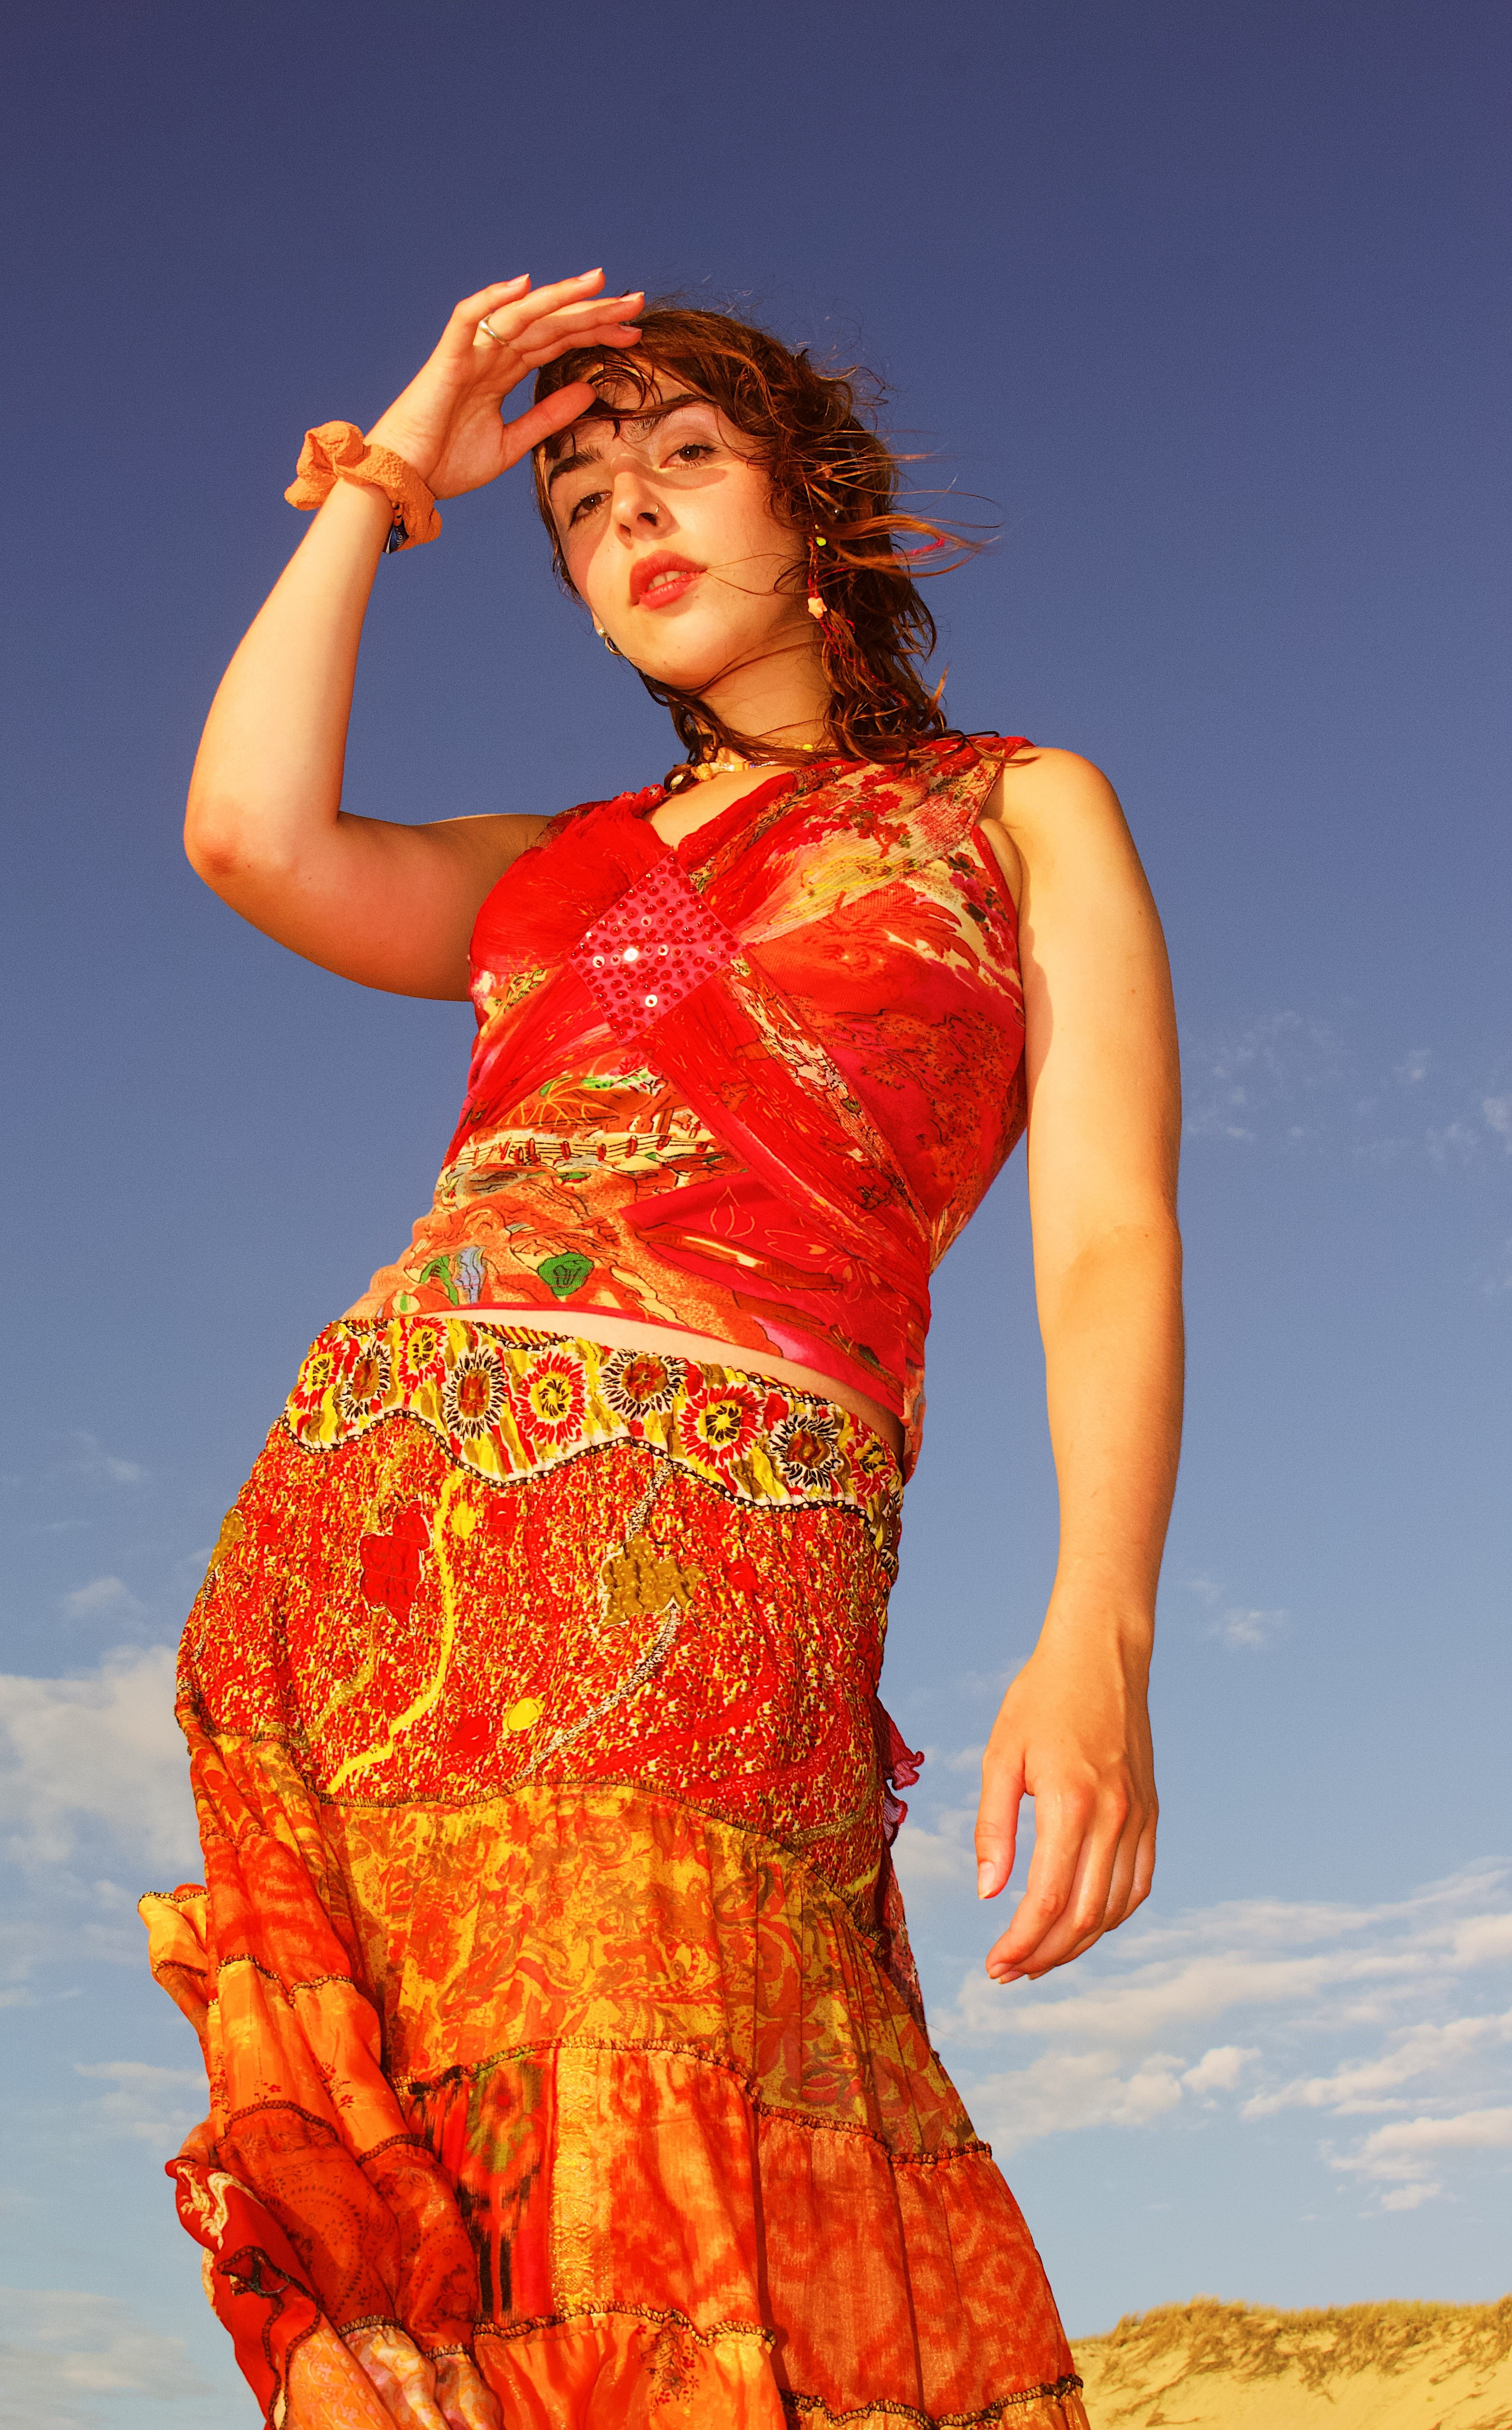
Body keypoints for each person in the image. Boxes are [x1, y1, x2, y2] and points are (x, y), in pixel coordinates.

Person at [142, 269, 1181, 2430]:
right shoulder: (558, 866)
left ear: (815, 504)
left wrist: (1101, 1628)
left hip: (728, 1565)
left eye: (685, 460)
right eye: (582, 501)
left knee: (681, 2210)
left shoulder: (1014, 810)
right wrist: (385, 484)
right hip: (381, 1545)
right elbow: (249, 833)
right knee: (475, 2262)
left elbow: (1104, 1232)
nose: (630, 516)